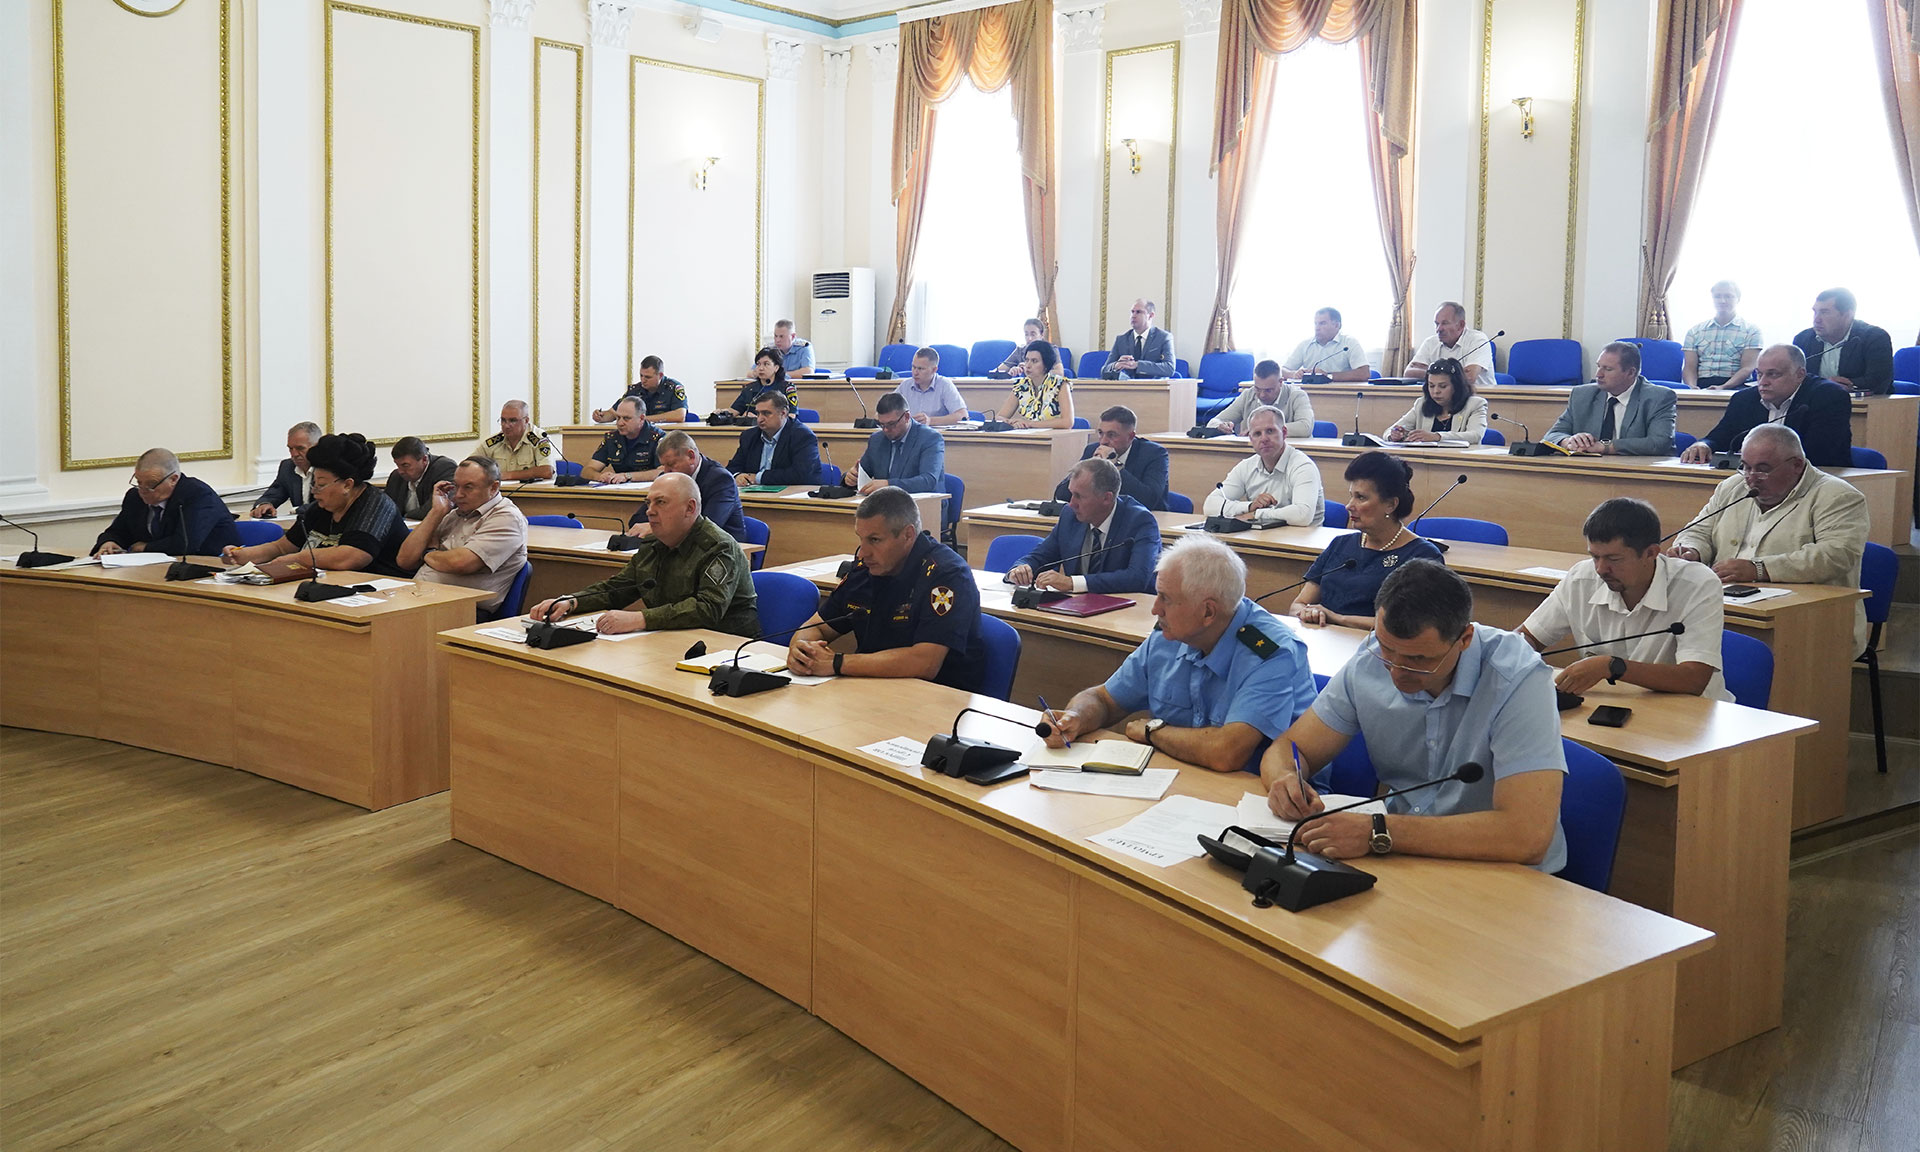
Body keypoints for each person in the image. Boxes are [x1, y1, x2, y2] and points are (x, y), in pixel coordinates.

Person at [1260, 560, 1568, 871]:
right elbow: (1289, 749)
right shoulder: (1370, 658)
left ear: (1464, 639)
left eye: (1417, 659)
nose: (1396, 673)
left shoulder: (1518, 678)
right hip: (1402, 855)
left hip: (1501, 868)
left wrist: (1378, 831)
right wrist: (1285, 779)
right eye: (1387, 651)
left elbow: (1526, 836)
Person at [1040, 535, 1316, 775]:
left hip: (1262, 795)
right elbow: (1104, 699)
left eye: (1166, 598)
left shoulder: (1270, 652)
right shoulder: (1169, 636)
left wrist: (1153, 731)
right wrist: (1075, 717)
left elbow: (1227, 753)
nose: (1155, 609)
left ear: (1208, 611)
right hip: (1183, 777)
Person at [1668, 424, 1868, 653]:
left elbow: (1835, 556)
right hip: (1725, 606)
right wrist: (1691, 550)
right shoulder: (1732, 487)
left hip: (1809, 623)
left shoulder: (1838, 496)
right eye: (1745, 467)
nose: (1751, 478)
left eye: (1763, 470)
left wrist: (1759, 569)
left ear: (1796, 465)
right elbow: (1697, 531)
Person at [1518, 498, 1732, 701]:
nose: (1601, 569)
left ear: (1651, 553)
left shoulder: (1697, 584)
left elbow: (1694, 679)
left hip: (1690, 713)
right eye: (1595, 557)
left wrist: (1612, 667)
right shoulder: (1581, 578)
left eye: (1614, 559)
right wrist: (1515, 650)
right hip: (1614, 705)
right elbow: (1528, 637)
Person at [786, 487, 984, 690]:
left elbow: (925, 662)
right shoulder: (865, 570)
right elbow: (817, 627)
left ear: (908, 535)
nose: (862, 553)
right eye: (860, 538)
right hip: (871, 689)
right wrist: (802, 651)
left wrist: (836, 662)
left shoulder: (947, 574)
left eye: (874, 540)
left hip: (937, 697)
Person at [526, 472, 759, 637]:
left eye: (660, 503)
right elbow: (618, 588)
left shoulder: (718, 547)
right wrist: (572, 601)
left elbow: (707, 609)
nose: (649, 511)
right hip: (672, 638)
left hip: (726, 646)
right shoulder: (653, 543)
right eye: (648, 503)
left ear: (690, 508)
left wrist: (640, 619)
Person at [221, 432, 411, 577]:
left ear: (347, 485)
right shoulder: (320, 508)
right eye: (313, 484)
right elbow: (282, 548)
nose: (314, 491)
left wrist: (297, 559)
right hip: (332, 586)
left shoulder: (376, 505)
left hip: (385, 592)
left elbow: (351, 557)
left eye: (321, 484)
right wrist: (244, 555)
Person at [1290, 452, 1444, 629]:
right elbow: (1298, 605)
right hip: (1323, 638)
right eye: (1351, 495)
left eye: (1361, 497)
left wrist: (1338, 619)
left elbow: (1410, 625)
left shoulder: (1423, 557)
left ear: (1391, 504)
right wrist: (1307, 613)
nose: (1349, 505)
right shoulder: (1340, 544)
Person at [395, 456, 529, 615]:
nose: (458, 495)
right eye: (456, 486)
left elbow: (460, 563)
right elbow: (404, 560)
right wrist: (436, 512)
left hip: (465, 610)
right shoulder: (454, 514)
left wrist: (428, 553)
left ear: (493, 487)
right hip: (423, 599)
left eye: (468, 487)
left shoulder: (506, 518)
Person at [1681, 344, 1853, 468]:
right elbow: (1720, 437)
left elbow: (1819, 453)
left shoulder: (1828, 397)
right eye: (1759, 374)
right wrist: (1704, 445)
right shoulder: (1744, 399)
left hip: (1820, 482)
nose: (1763, 382)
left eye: (1773, 374)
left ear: (1800, 374)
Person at [1007, 458, 1162, 594]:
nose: (1071, 503)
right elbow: (1040, 556)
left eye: (1079, 496)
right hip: (1077, 609)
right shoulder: (1070, 515)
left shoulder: (1140, 521)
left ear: (1106, 498)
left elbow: (1138, 577)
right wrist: (1020, 569)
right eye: (1071, 494)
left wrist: (1072, 583)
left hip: (1129, 611)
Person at [92, 448, 240, 557]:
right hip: (151, 569)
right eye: (139, 482)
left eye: (151, 484)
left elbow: (186, 544)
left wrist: (145, 547)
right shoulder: (134, 497)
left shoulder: (198, 495)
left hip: (208, 568)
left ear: (173, 479)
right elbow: (118, 531)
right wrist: (109, 542)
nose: (143, 490)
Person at [1541, 341, 1677, 455]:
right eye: (1598, 366)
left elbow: (1659, 442)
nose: (1598, 374)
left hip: (1640, 472)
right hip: (1590, 470)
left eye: (1608, 369)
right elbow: (1552, 435)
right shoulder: (1582, 395)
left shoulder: (1659, 397)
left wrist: (1606, 447)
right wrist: (1569, 441)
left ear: (1631, 372)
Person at [1202, 406, 1324, 527]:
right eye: (1257, 434)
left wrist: (1257, 514)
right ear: (1251, 439)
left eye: (1270, 431)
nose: (1264, 438)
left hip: (1302, 538)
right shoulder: (1246, 466)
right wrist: (1250, 506)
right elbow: (1210, 506)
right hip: (1262, 536)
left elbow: (1303, 515)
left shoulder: (1303, 466)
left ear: (1284, 433)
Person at [1052, 405, 1170, 510]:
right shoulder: (1092, 450)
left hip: (1144, 519)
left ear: (1131, 436)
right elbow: (1062, 494)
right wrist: (1087, 469)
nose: (1103, 441)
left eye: (1111, 435)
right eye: (1100, 433)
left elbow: (1149, 500)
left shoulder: (1154, 454)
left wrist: (1115, 465)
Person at [1792, 287, 1895, 395]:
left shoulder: (1874, 338)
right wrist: (1824, 385)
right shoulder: (1803, 339)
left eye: (1824, 312)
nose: (1816, 319)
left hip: (1868, 403)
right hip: (1816, 402)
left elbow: (1879, 381)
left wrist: (1847, 385)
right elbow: (1794, 379)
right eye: (1815, 312)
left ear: (1848, 315)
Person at [650, 431, 745, 541]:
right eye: (663, 466)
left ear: (691, 456)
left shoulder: (721, 480)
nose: (666, 471)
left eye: (671, 464)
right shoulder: (667, 478)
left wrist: (657, 527)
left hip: (719, 546)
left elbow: (709, 527)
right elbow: (640, 517)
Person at [727, 392, 822, 486]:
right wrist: (737, 476)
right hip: (753, 493)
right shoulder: (749, 436)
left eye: (766, 413)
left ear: (783, 413)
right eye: (758, 413)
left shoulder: (802, 436)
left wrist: (758, 478)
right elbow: (732, 468)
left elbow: (800, 474)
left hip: (792, 493)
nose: (759, 419)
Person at [856, 393, 945, 494]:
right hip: (886, 502)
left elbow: (928, 481)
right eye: (881, 424)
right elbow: (863, 473)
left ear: (906, 417)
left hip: (925, 502)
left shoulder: (930, 438)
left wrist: (889, 485)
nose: (885, 430)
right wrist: (851, 479)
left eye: (891, 424)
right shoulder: (877, 439)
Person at [1681, 281, 1762, 389]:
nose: (1722, 301)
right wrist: (1691, 387)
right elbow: (1689, 368)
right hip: (1701, 385)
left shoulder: (1751, 331)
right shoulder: (1695, 331)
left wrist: (1723, 387)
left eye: (1728, 296)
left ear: (1738, 299)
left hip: (1736, 387)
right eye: (1717, 296)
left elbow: (1747, 368)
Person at [1386, 359, 1489, 444]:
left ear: (1456, 386)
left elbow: (1475, 436)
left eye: (1443, 386)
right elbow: (1388, 432)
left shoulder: (1475, 404)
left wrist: (1437, 437)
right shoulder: (1421, 404)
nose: (1436, 391)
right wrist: (1394, 435)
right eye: (1431, 386)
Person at [1208, 360, 1316, 438]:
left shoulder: (1297, 395)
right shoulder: (1248, 395)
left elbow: (1305, 427)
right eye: (1258, 389)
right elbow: (1213, 422)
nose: (1262, 395)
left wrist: (1260, 430)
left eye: (1268, 390)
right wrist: (1221, 426)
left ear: (1281, 382)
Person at [1404, 301, 1494, 384]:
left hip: (1479, 395)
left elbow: (1469, 377)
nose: (1438, 329)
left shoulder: (1477, 340)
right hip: (1440, 395)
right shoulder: (1430, 343)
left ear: (1461, 325)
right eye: (1437, 324)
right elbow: (1409, 373)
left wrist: (1431, 371)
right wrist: (1446, 372)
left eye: (1445, 323)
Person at [993, 341, 1075, 430]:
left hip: (1055, 436)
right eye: (1026, 360)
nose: (1028, 365)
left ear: (1046, 364)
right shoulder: (1021, 386)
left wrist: (1030, 423)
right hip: (1029, 436)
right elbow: (999, 417)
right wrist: (1011, 423)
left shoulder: (1060, 384)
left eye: (1034, 361)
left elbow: (1067, 422)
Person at [582, 396, 663, 484]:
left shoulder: (657, 438)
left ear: (641, 418)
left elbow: (662, 471)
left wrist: (627, 476)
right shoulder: (612, 438)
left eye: (626, 418)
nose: (620, 423)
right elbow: (587, 471)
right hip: (619, 489)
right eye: (618, 418)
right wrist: (599, 476)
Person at [1281, 307, 1370, 382]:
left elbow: (1364, 373)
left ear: (1336, 325)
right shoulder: (1305, 344)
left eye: (1322, 323)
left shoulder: (1349, 343)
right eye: (1315, 323)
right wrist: (1294, 374)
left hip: (1342, 393)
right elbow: (1283, 370)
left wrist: (1328, 376)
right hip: (1309, 393)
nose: (1317, 328)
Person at [250, 422, 321, 517]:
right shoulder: (288, 467)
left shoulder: (327, 468)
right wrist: (263, 505)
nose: (294, 454)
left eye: (300, 448)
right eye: (290, 448)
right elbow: (274, 494)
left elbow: (324, 503)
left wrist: (296, 510)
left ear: (316, 447)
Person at [474, 401, 553, 482]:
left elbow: (547, 471)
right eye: (503, 420)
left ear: (526, 420)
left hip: (532, 489)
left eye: (512, 420)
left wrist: (508, 475)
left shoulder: (539, 439)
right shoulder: (494, 442)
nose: (506, 425)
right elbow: (470, 464)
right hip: (501, 489)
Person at [594, 355, 688, 423]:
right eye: (641, 375)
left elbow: (679, 415)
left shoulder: (673, 388)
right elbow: (613, 412)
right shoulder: (635, 390)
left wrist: (642, 420)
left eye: (647, 377)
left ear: (660, 375)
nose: (643, 380)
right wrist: (601, 416)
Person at [383, 437, 457, 520]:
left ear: (424, 459)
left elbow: (435, 509)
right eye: (398, 465)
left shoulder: (444, 468)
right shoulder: (396, 476)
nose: (400, 471)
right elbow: (385, 510)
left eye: (405, 465)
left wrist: (403, 518)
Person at [1101, 298, 1175, 379]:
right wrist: (1116, 365)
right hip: (1127, 385)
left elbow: (1169, 368)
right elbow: (1104, 371)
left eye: (1138, 312)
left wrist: (1138, 365)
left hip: (1154, 385)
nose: (1133, 316)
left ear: (1151, 315)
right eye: (1132, 312)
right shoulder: (1121, 340)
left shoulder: (1163, 337)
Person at [895, 345, 969, 426]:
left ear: (934, 370)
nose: (915, 373)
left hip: (936, 433)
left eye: (920, 369)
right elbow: (887, 409)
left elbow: (962, 416)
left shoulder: (945, 385)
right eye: (913, 367)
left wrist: (930, 421)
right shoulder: (905, 385)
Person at [726, 349, 800, 416]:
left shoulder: (787, 388)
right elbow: (734, 411)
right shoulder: (749, 389)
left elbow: (791, 416)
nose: (761, 368)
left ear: (776, 368)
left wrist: (757, 419)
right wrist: (722, 413)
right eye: (758, 364)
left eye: (766, 364)